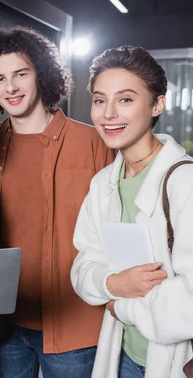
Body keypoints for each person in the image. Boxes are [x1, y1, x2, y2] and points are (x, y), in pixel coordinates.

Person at [0, 26, 115, 377]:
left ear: (41, 75)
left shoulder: (93, 142)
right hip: (8, 320)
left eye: (20, 74)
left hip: (75, 319)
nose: (10, 87)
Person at [71, 45, 193, 378]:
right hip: (123, 354)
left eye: (125, 100)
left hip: (176, 363)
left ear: (157, 104)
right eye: (99, 100)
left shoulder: (185, 182)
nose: (108, 114)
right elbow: (83, 267)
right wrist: (113, 281)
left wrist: (118, 303)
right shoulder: (103, 183)